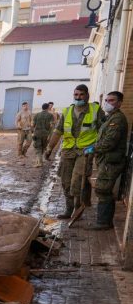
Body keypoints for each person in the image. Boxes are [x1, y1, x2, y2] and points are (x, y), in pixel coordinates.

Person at [45, 84, 104, 219]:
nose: (78, 97)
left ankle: (78, 208)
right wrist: (49, 148)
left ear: (87, 95)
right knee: (65, 181)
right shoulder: (67, 111)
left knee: (77, 180)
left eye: (81, 95)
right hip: (68, 150)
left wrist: (96, 148)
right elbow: (58, 132)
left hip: (85, 151)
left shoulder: (95, 110)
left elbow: (103, 131)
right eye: (76, 95)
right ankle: (69, 208)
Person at [88, 91, 128, 229]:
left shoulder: (117, 119)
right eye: (106, 100)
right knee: (104, 190)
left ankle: (103, 222)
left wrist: (93, 148)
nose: (107, 103)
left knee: (102, 189)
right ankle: (105, 221)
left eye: (111, 100)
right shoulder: (110, 117)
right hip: (106, 160)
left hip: (111, 162)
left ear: (119, 103)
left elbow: (109, 142)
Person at [32, 103, 54, 167]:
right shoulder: (50, 115)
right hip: (46, 134)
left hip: (37, 133)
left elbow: (33, 125)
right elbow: (51, 126)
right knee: (43, 148)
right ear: (48, 108)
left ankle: (39, 162)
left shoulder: (37, 115)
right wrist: (50, 135)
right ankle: (39, 161)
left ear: (42, 108)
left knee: (38, 148)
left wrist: (33, 133)